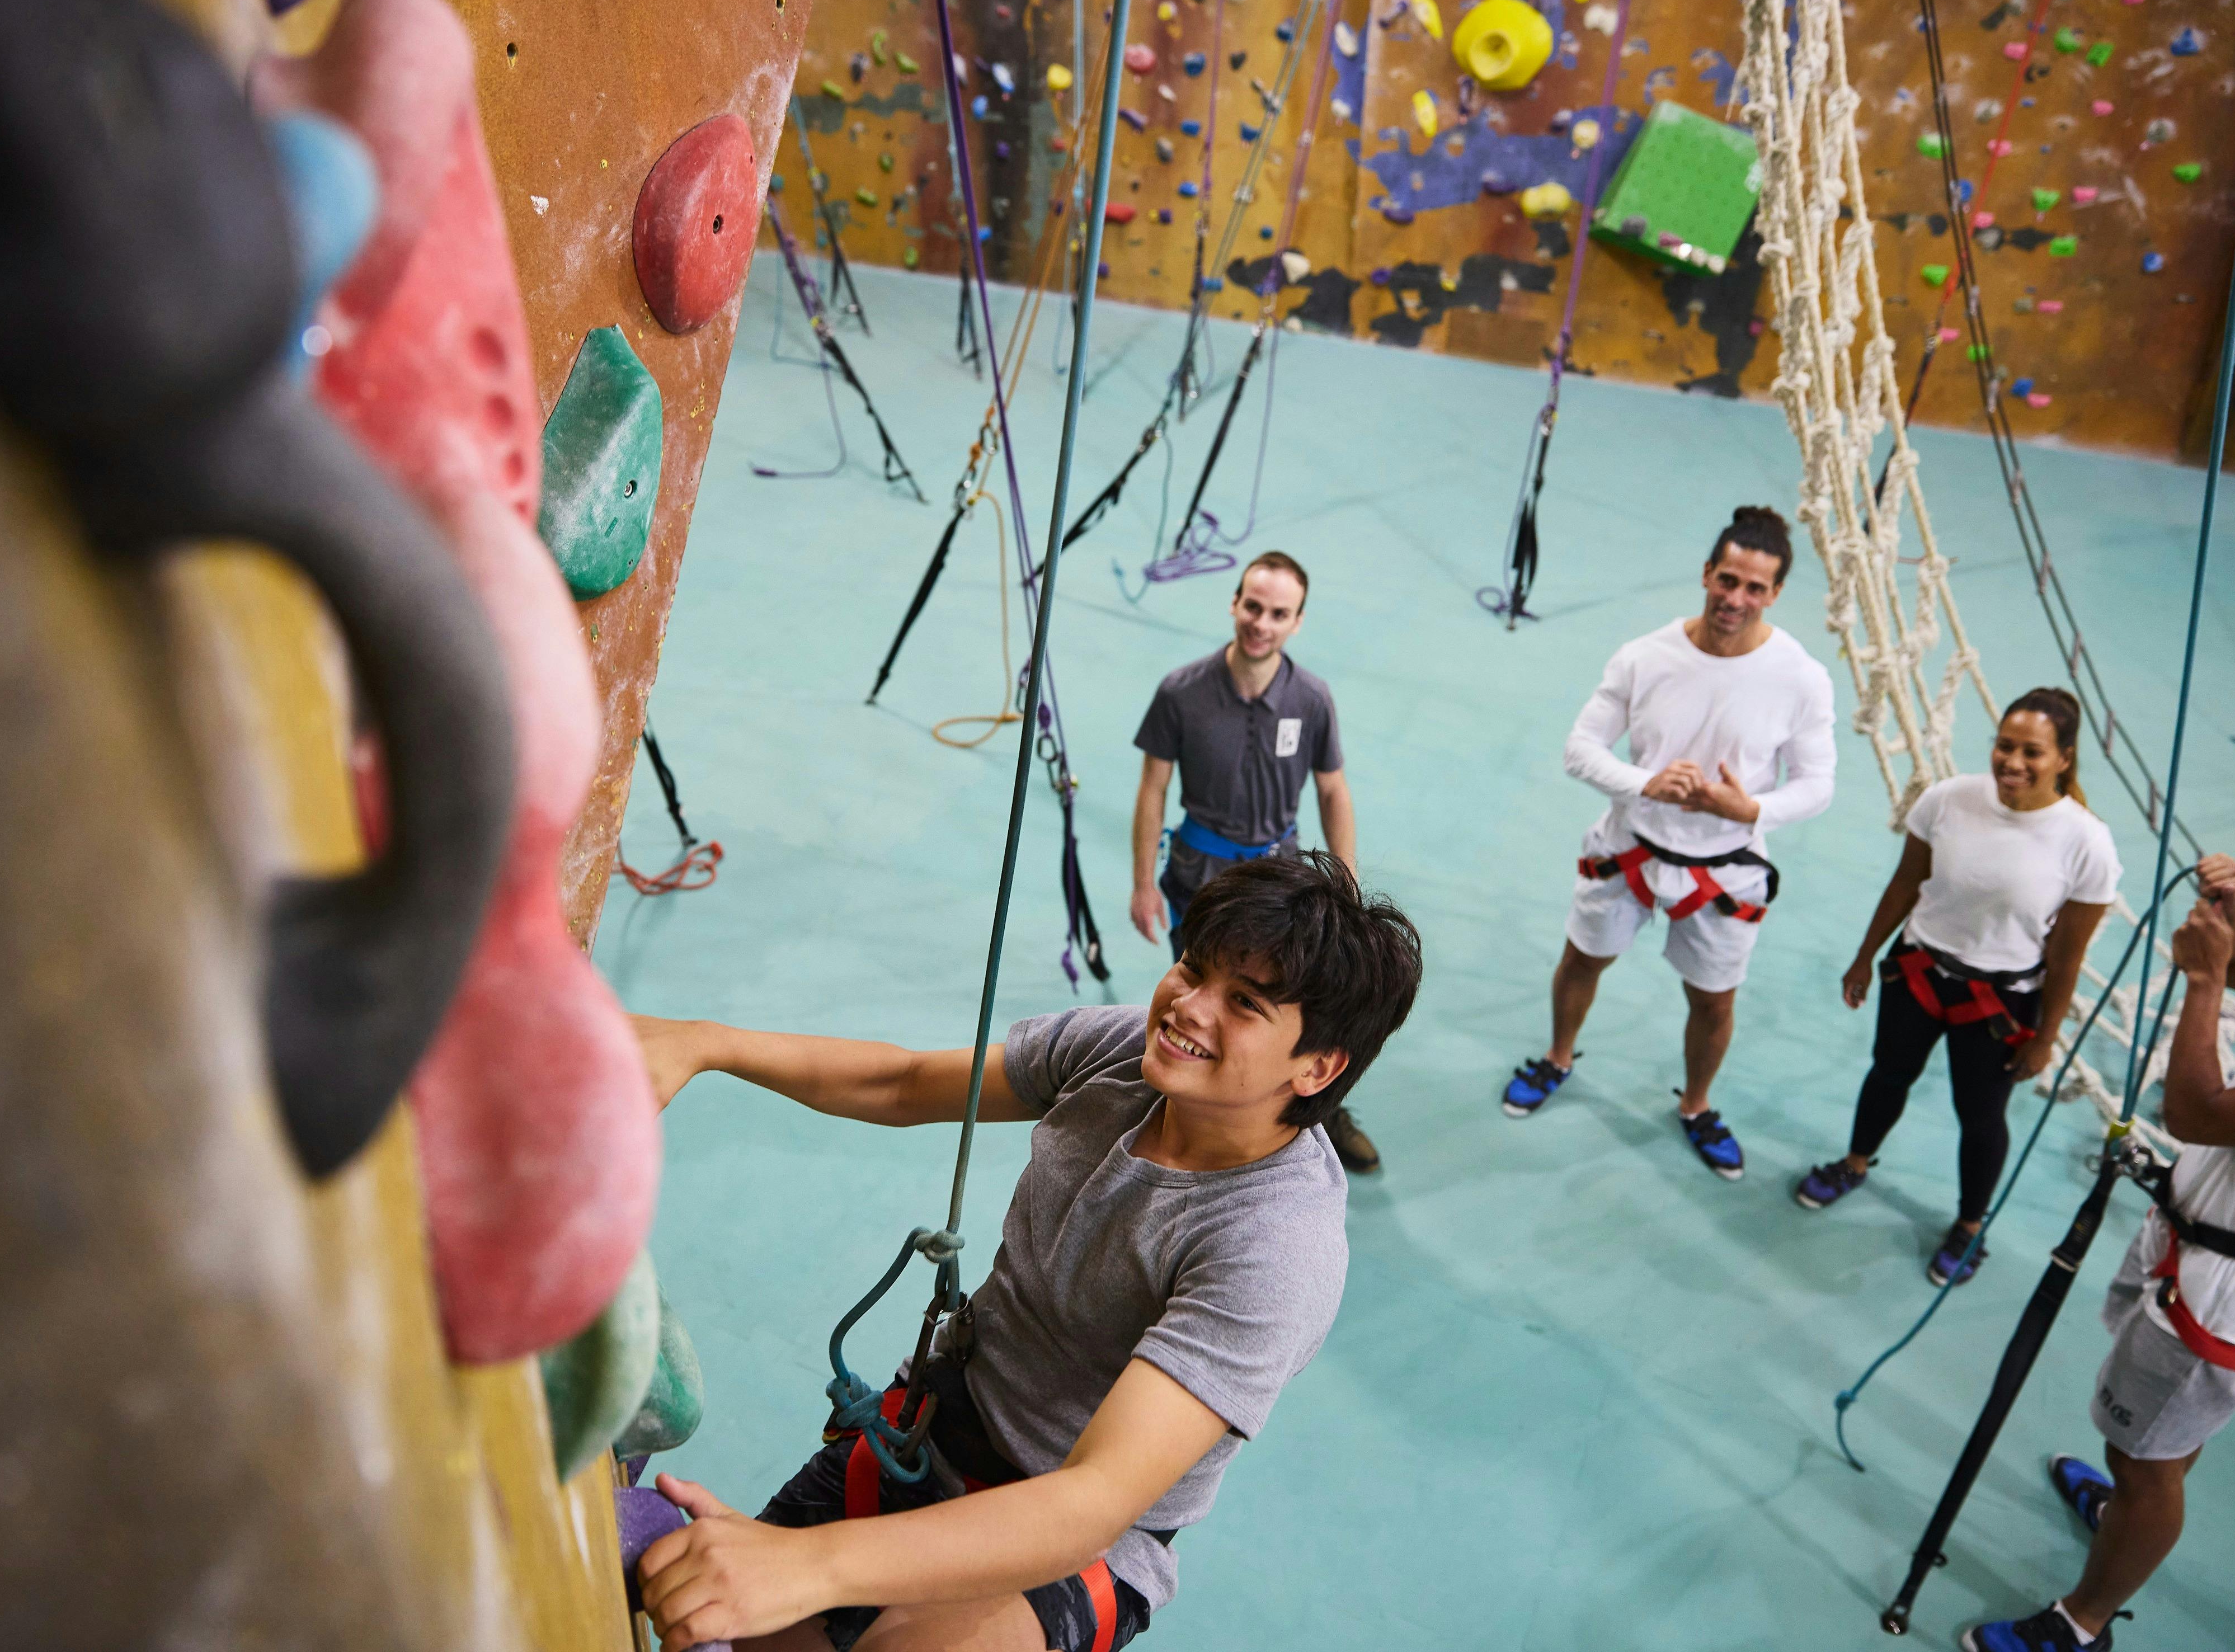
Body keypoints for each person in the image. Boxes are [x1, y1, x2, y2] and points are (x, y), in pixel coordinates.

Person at [627, 853, 1423, 1652]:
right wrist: (707, 1044)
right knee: (728, 1617)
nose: (1187, 1007)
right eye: (1191, 968)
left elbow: (1090, 1501)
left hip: (1079, 1532)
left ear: (1318, 1066)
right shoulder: (1121, 1057)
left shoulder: (1274, 1247)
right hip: (938, 1430)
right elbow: (903, 1083)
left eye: (1243, 1003)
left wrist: (810, 1566)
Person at [1964, 853, 2235, 1651]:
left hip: (2225, 1296)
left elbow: (2193, 1110)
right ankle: (2125, 1509)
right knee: (2152, 1443)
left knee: (2148, 1463)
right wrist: (2223, 924)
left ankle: (2080, 1624)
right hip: (2198, 1244)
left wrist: (2200, 984)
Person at [1499, 506, 1836, 1180]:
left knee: (1713, 1000)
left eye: (1754, 588)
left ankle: (1697, 1103)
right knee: (1583, 959)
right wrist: (1646, 784)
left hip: (1726, 868)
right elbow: (1580, 749)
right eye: (1727, 580)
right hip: (1632, 845)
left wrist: (1753, 809)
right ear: (1707, 573)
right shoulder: (1646, 657)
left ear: (1774, 595)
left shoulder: (1799, 677)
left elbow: (1817, 784)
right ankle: (1559, 1057)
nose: (1735, 600)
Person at [1795, 689, 2120, 1285]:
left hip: (1999, 1001)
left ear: (2065, 759)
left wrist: (2046, 1038)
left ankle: (1970, 1225)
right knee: (1888, 1073)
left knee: (1980, 1113)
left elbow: (2067, 955)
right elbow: (1904, 885)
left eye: (2032, 752)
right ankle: (1854, 1162)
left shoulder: (2086, 843)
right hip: (1918, 971)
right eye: (2005, 745)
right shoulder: (1948, 799)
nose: (2012, 762)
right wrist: (1865, 957)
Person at [1129, 551, 1380, 1173]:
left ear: (1297, 622)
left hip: (1279, 884)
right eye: (1253, 607)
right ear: (1234, 605)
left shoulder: (1312, 700)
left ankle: (1319, 1115)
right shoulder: (1181, 693)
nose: (1261, 623)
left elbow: (1332, 791)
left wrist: (1343, 886)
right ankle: (1198, 1120)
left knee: (1296, 1012)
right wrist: (1142, 885)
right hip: (1199, 882)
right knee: (1207, 1010)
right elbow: (1153, 789)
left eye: (1278, 613)